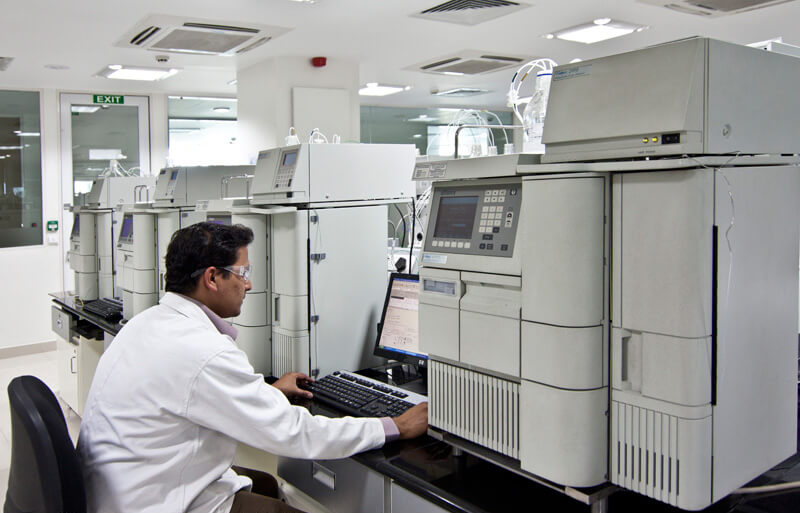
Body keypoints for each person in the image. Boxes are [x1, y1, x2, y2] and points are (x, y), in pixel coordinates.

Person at [77, 222, 429, 513]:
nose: (249, 284)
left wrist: (268, 393)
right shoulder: (204, 352)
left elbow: (189, 394)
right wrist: (392, 426)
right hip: (152, 502)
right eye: (242, 272)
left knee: (265, 483)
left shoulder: (148, 322)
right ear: (212, 278)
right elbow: (295, 434)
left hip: (121, 487)